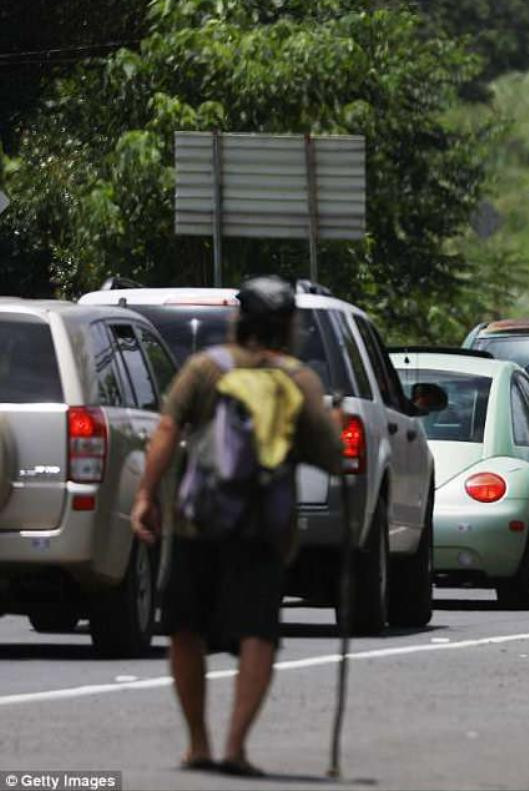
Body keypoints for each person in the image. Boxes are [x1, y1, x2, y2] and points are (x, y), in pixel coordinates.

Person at [130, 276, 344, 777]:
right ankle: (236, 745)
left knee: (185, 628)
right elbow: (332, 458)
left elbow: (167, 429)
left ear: (239, 320)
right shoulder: (299, 380)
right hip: (264, 529)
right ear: (287, 327)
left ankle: (198, 743)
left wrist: (146, 495)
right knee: (258, 634)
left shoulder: (206, 368)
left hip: (196, 521)